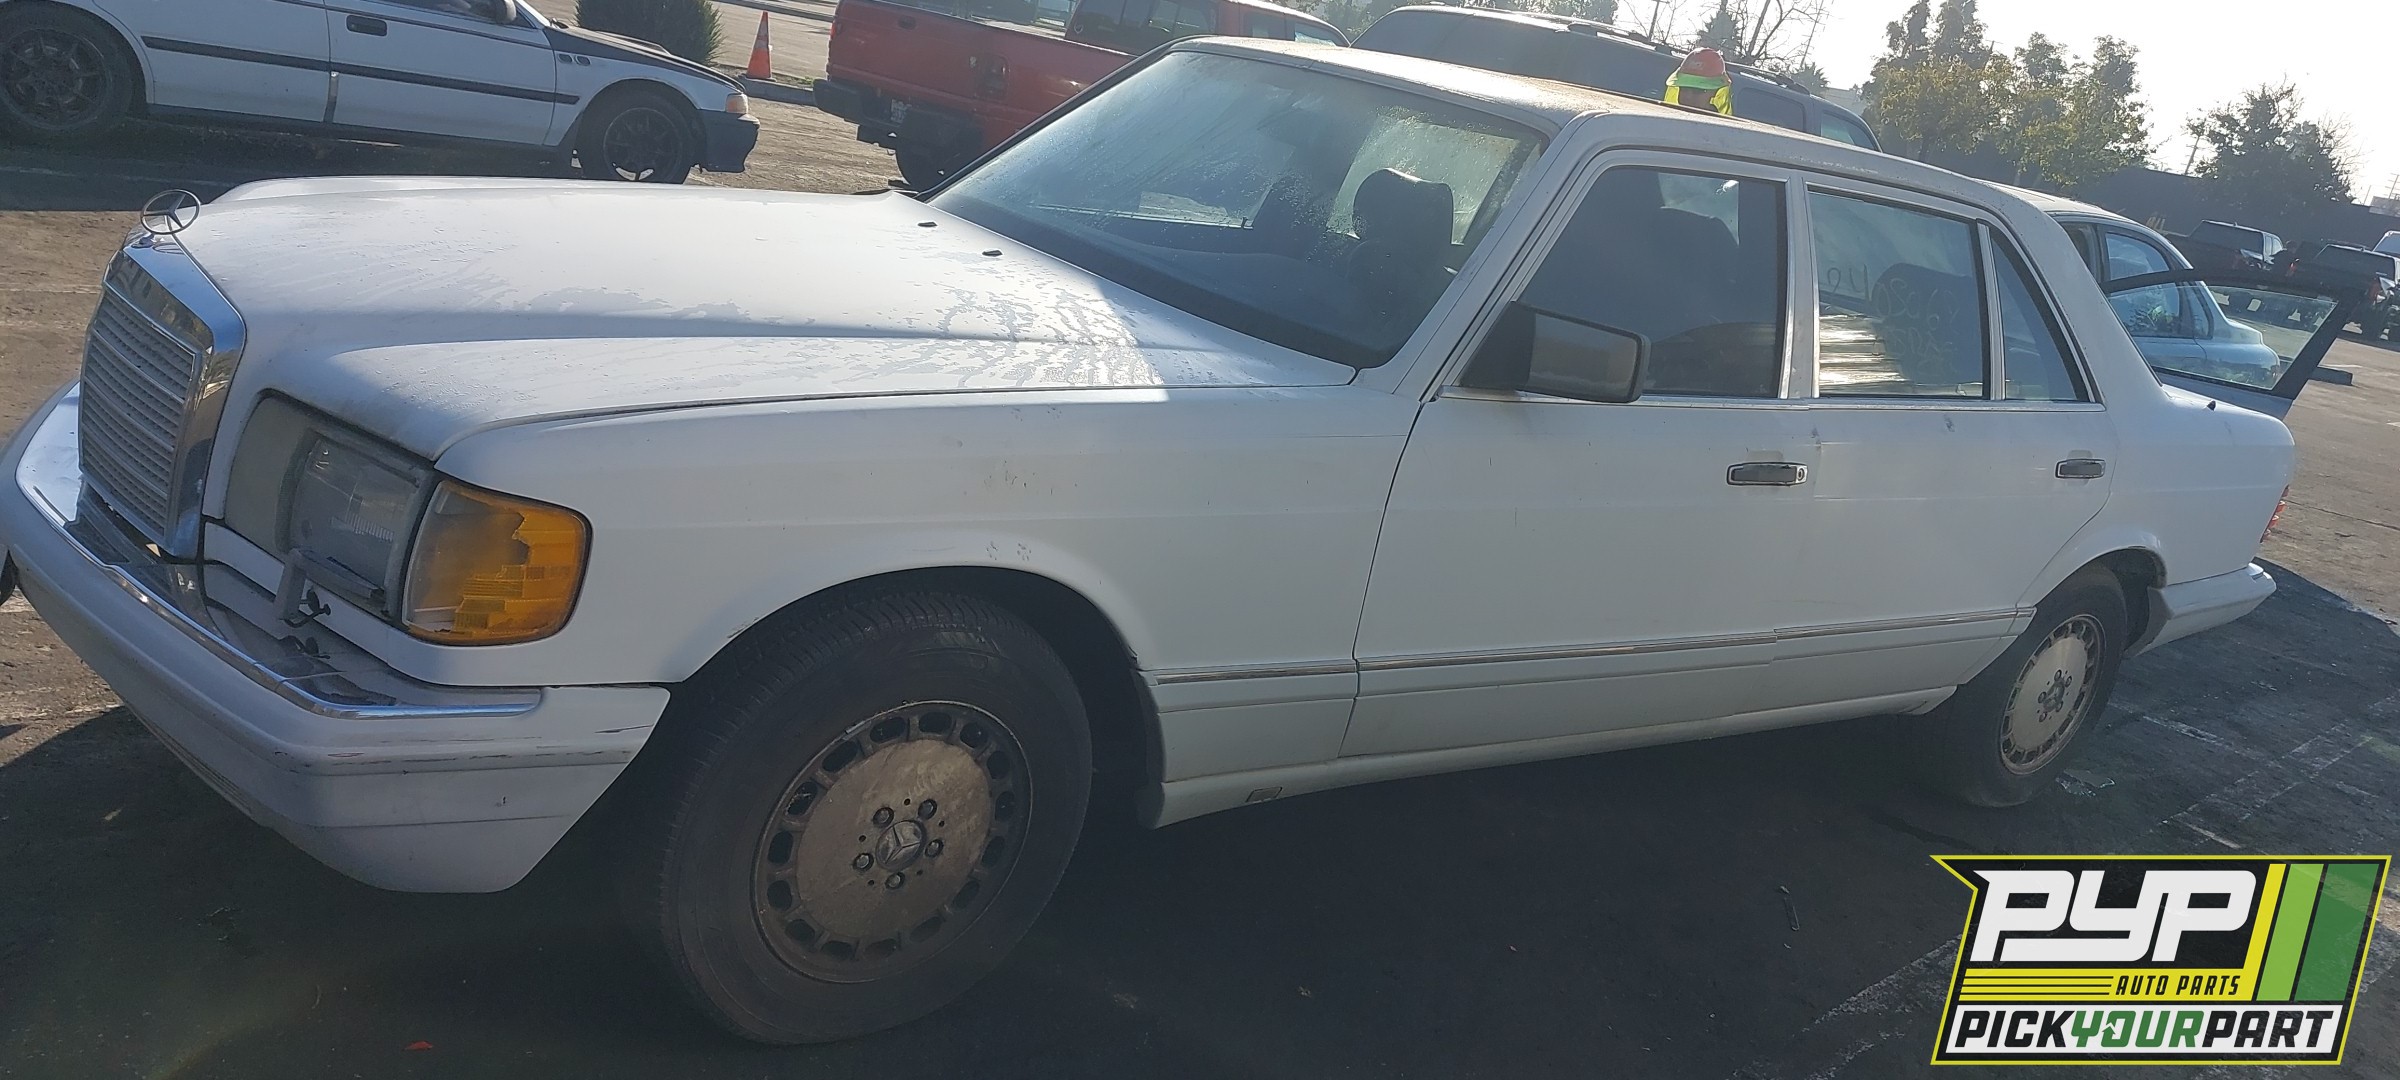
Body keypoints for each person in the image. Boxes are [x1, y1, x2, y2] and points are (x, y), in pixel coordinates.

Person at [1662, 48, 1734, 117]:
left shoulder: (1718, 127)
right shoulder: (1669, 122)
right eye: (1684, 89)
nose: (1688, 96)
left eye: (1697, 91)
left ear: (1714, 92)